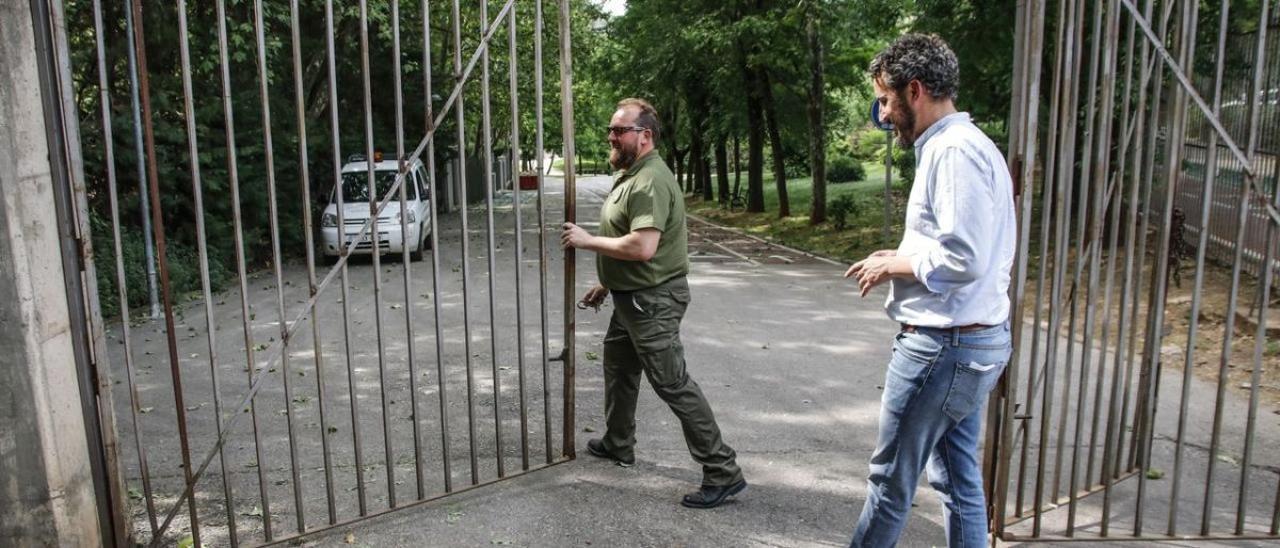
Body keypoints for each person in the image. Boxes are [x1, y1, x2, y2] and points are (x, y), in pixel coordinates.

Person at [844, 34, 1016, 548]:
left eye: (886, 99)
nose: (883, 113)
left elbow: (965, 255)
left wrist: (899, 263)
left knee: (890, 480)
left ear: (914, 90)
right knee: (957, 480)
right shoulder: (963, 145)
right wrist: (898, 259)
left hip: (944, 346)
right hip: (969, 340)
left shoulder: (953, 151)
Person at [561, 97, 747, 509]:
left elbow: (643, 247)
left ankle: (722, 470)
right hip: (632, 298)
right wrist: (606, 284)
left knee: (672, 382)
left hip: (651, 301)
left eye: (618, 130)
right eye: (611, 129)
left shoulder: (649, 180)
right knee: (619, 369)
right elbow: (631, 241)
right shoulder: (633, 173)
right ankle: (618, 441)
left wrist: (587, 241)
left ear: (644, 136)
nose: (611, 136)